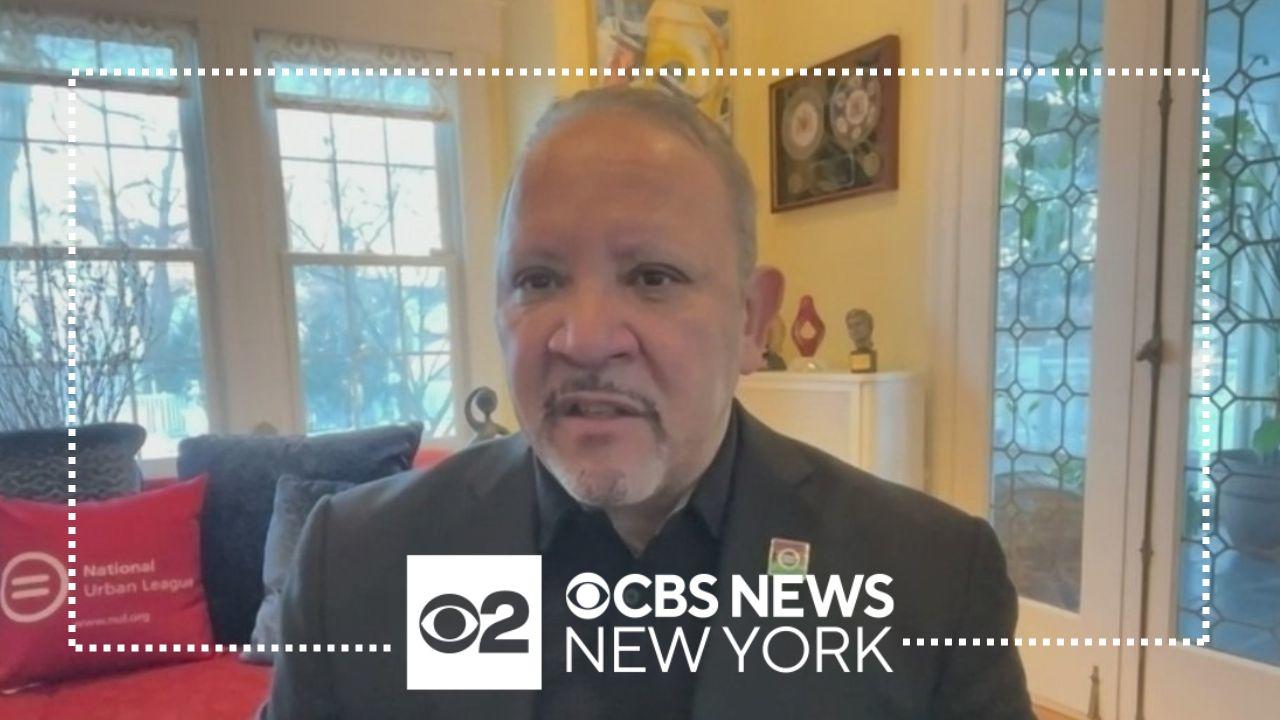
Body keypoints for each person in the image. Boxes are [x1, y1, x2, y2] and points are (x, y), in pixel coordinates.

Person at [264, 86, 1035, 720]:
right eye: (538, 279)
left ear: (751, 322)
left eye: (653, 278)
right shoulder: (357, 564)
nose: (585, 338)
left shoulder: (931, 580)